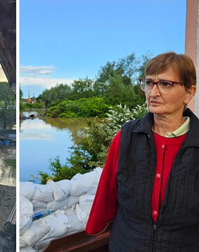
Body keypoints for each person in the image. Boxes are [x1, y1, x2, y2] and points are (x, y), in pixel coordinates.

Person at [85, 52, 199, 252]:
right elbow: (106, 194)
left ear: (189, 93)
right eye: (149, 83)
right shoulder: (126, 137)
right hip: (127, 245)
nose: (153, 93)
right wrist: (93, 232)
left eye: (165, 84)